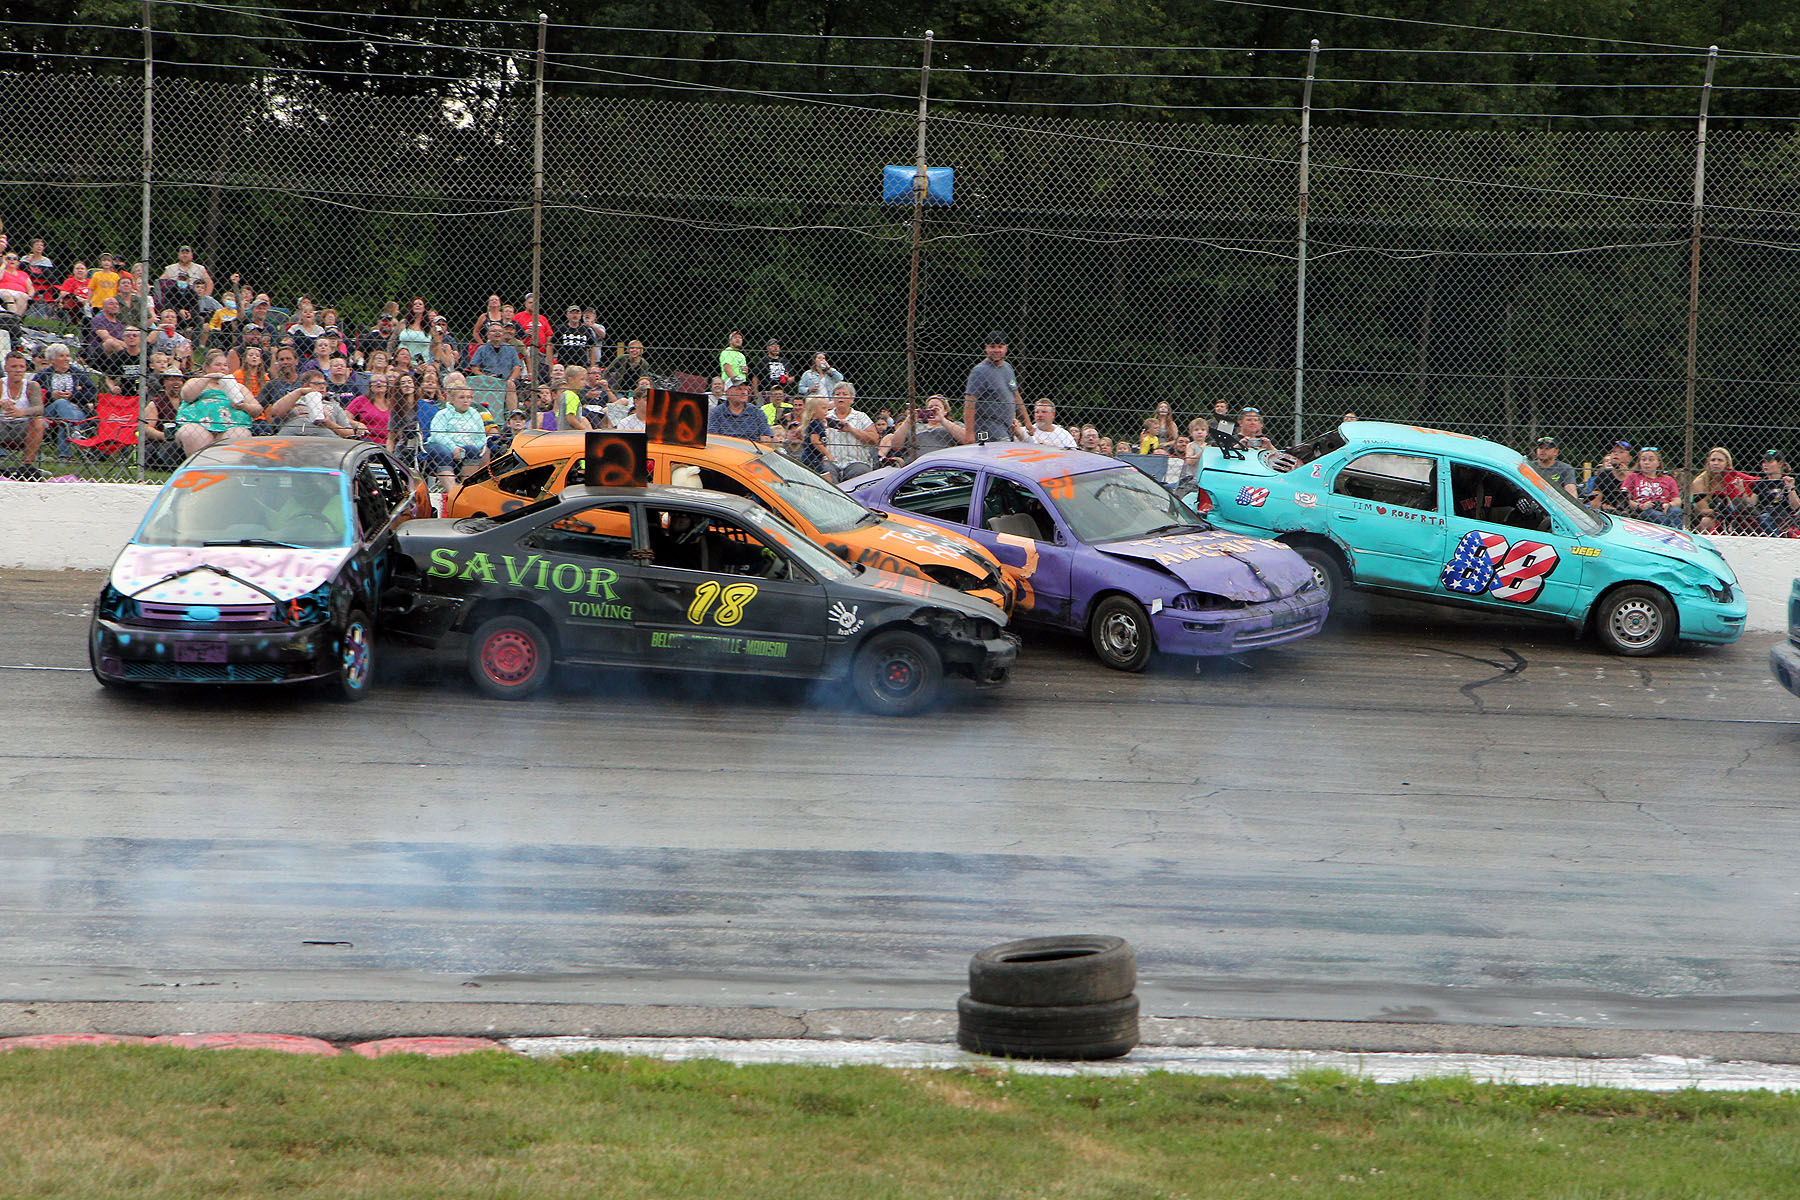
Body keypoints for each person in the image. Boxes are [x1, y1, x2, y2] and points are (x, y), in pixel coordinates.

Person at [175, 350, 259, 456]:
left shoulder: (238, 386)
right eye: (217, 365)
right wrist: (209, 377)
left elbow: (257, 409)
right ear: (207, 368)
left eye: (225, 365)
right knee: (191, 432)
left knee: (239, 434)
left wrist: (243, 406)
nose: (222, 368)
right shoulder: (196, 381)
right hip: (198, 426)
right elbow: (187, 396)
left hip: (230, 427)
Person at [961, 331, 1027, 444]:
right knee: (1000, 452)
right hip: (988, 426)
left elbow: (1015, 394)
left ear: (1006, 348)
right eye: (992, 347)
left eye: (1000, 347)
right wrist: (969, 433)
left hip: (1006, 426)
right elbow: (969, 403)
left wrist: (1028, 422)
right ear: (986, 348)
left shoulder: (1008, 369)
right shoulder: (980, 371)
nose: (996, 350)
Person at [33, 344, 96, 456]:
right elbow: (33, 394)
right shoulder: (42, 375)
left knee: (65, 423)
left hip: (77, 411)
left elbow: (92, 393)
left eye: (67, 355)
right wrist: (51, 395)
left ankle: (64, 457)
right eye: (61, 356)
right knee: (61, 403)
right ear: (52, 360)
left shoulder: (77, 373)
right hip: (50, 412)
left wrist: (72, 395)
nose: (66, 359)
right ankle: (75, 432)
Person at [424, 381, 489, 487]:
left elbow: (481, 437)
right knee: (444, 453)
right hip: (441, 446)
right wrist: (453, 448)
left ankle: (466, 488)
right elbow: (438, 434)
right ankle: (452, 492)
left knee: (472, 450)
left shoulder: (475, 414)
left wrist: (470, 446)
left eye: (469, 397)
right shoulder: (443, 414)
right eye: (462, 397)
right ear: (452, 400)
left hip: (465, 448)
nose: (466, 400)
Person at [0, 350, 47, 479]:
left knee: (38, 420)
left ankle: (27, 466)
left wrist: (21, 412)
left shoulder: (32, 385)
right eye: (14, 367)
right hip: (2, 425)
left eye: (21, 367)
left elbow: (39, 409)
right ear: (6, 368)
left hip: (24, 427)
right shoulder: (0, 384)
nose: (18, 370)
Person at [1690, 447, 1758, 534]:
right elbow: (1703, 510)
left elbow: (1748, 504)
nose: (1716, 463)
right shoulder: (1699, 482)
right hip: (1711, 516)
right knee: (1706, 521)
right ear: (1708, 462)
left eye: (1720, 460)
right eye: (1713, 460)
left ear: (1727, 463)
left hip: (1734, 514)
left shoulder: (1734, 479)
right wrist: (1720, 512)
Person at [881, 393, 966, 463]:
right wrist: (908, 421)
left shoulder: (954, 425)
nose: (933, 409)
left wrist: (942, 420)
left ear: (945, 411)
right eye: (930, 407)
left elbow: (966, 440)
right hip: (916, 465)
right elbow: (896, 445)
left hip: (943, 464)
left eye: (937, 407)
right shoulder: (916, 426)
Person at [822, 382, 878, 478]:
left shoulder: (861, 416)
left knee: (859, 471)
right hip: (830, 461)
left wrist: (851, 430)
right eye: (837, 394)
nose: (841, 397)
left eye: (845, 394)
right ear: (833, 398)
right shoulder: (824, 416)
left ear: (852, 399)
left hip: (856, 462)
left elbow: (874, 439)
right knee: (824, 471)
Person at [468, 319, 523, 406]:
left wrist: (511, 379)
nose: (497, 333)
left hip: (506, 380)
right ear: (488, 335)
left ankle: (511, 413)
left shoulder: (511, 349)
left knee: (511, 386)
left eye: (500, 331)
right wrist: (485, 378)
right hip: (487, 380)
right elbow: (474, 367)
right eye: (493, 331)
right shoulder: (482, 349)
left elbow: (517, 367)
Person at [1623, 446, 1682, 527]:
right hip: (1645, 510)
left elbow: (1677, 501)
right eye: (1643, 460)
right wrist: (1641, 506)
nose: (1646, 462)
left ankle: (1674, 534)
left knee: (1676, 510)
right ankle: (1672, 532)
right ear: (1639, 463)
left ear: (1658, 463)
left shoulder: (1668, 479)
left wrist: (1668, 505)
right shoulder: (1633, 477)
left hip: (1664, 509)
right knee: (1654, 514)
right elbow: (1624, 499)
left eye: (1651, 460)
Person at [138, 369, 185, 469]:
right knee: (171, 447)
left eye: (179, 380)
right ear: (164, 382)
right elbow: (146, 428)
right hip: (159, 444)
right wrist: (164, 436)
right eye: (172, 379)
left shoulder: (187, 402)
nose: (176, 382)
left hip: (184, 440)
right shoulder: (156, 403)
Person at [1749, 450, 1800, 536]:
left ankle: (1778, 536)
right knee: (1763, 516)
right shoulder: (1761, 483)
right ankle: (1777, 536)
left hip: (1782, 517)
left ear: (1780, 464)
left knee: (1769, 515)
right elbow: (1751, 504)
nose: (1765, 465)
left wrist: (1790, 488)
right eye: (1764, 462)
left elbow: (1796, 507)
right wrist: (1742, 491)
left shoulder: (1787, 480)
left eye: (1770, 461)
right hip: (1763, 515)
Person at [708, 380, 774, 441]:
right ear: (727, 393)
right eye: (739, 389)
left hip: (752, 450)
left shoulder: (757, 412)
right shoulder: (717, 412)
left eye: (745, 389)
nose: (744, 392)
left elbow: (766, 437)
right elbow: (713, 438)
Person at [1581, 441, 1632, 512]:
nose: (1616, 454)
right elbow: (1595, 502)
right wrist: (1602, 507)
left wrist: (1628, 477)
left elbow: (1634, 499)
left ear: (1629, 458)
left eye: (1621, 452)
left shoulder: (1634, 476)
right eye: (1613, 451)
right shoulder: (1604, 475)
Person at [347, 373, 396, 445]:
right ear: (370, 386)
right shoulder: (361, 400)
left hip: (389, 443)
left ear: (387, 386)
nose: (378, 383)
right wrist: (357, 424)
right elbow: (345, 417)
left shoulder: (393, 403)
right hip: (367, 441)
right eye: (374, 381)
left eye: (382, 381)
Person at [552, 303, 598, 369]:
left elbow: (592, 348)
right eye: (572, 313)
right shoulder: (561, 328)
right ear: (567, 315)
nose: (575, 315)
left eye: (577, 313)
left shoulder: (586, 330)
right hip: (564, 365)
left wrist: (592, 366)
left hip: (581, 365)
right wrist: (551, 364)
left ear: (580, 315)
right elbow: (551, 345)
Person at [799, 394, 831, 476]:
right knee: (826, 478)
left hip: (815, 458)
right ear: (814, 410)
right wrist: (827, 454)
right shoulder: (816, 423)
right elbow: (815, 441)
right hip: (812, 459)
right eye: (823, 408)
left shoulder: (817, 422)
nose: (826, 410)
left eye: (827, 408)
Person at [0, 252, 33, 317]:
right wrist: (3, 264)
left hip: (20, 292)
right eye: (8, 258)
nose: (12, 260)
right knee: (7, 295)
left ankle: (16, 319)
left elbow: (30, 288)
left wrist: (30, 296)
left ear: (18, 262)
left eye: (15, 259)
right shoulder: (2, 271)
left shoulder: (23, 274)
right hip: (3, 290)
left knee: (23, 297)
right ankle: (12, 319)